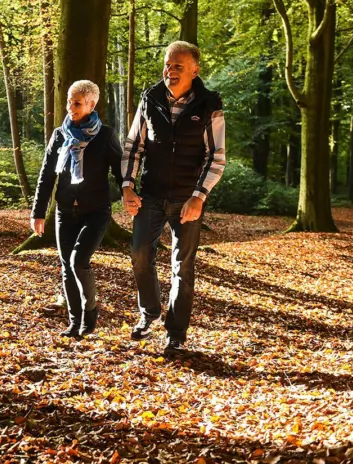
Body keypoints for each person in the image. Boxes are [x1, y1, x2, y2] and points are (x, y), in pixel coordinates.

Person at [120, 40, 226, 357]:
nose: (170, 70)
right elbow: (133, 147)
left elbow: (216, 157)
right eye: (167, 64)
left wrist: (199, 196)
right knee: (139, 254)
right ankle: (150, 311)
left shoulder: (210, 105)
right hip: (150, 194)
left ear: (194, 70)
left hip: (187, 199)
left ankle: (175, 336)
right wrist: (127, 186)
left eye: (178, 65)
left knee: (183, 268)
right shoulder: (150, 99)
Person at [31, 80, 125, 339]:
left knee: (78, 261)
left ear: (91, 105)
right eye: (69, 101)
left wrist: (130, 194)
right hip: (64, 212)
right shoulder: (59, 135)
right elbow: (47, 175)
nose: (70, 107)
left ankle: (90, 313)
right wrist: (38, 213)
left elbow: (120, 171)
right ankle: (75, 324)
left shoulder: (105, 135)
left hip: (96, 211)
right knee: (65, 267)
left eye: (77, 103)